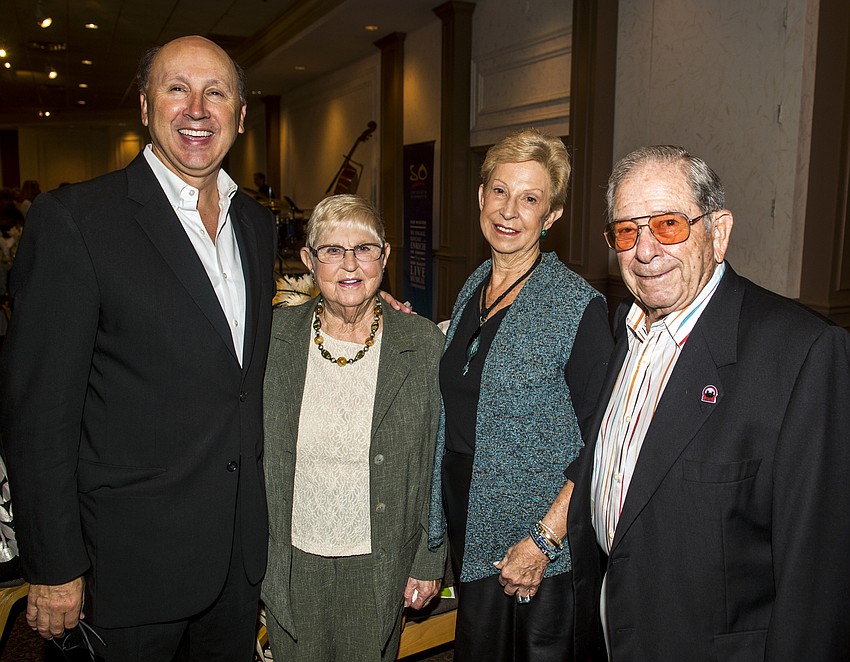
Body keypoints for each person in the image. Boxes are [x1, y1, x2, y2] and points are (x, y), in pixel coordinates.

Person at [0, 35, 277, 661]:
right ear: (146, 108)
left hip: (237, 561)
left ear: (238, 114)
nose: (197, 109)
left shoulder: (256, 225)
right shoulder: (76, 221)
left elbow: (238, 367)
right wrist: (51, 563)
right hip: (125, 566)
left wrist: (364, 311)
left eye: (216, 92)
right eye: (177, 89)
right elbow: (38, 413)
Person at [567, 145, 850, 660]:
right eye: (626, 231)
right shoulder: (625, 328)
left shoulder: (801, 352)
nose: (644, 251)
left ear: (718, 232)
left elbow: (818, 577)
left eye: (669, 225)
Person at [427, 128, 613, 661]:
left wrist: (545, 539)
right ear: (481, 197)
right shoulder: (473, 288)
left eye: (530, 199)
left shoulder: (577, 307)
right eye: (500, 192)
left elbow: (602, 440)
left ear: (551, 215)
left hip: (537, 547)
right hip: (472, 519)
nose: (510, 211)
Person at [262, 193, 445, 661]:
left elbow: (436, 456)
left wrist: (428, 558)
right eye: (332, 250)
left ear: (384, 257)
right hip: (292, 558)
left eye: (364, 249)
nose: (350, 264)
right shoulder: (273, 339)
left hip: (380, 559)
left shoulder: (421, 343)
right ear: (308, 259)